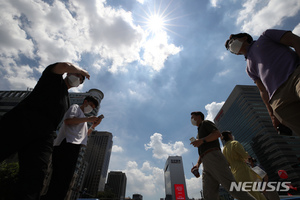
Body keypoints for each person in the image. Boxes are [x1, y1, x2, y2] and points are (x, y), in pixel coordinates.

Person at [0, 62, 90, 200]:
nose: (79, 78)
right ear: (69, 73)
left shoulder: (67, 100)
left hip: (45, 135)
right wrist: (81, 70)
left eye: (81, 79)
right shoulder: (53, 79)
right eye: (77, 75)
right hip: (23, 121)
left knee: (35, 176)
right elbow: (64, 65)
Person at [225, 29, 300, 135]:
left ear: (245, 37)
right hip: (277, 98)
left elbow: (294, 40)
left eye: (232, 40)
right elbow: (263, 90)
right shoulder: (249, 69)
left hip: (295, 76)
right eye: (229, 47)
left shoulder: (266, 36)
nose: (230, 44)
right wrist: (272, 114)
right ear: (236, 54)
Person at [41, 96, 103, 200]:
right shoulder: (75, 108)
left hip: (74, 147)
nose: (91, 108)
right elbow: (68, 121)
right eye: (91, 105)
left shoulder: (82, 120)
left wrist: (93, 127)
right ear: (85, 102)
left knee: (66, 179)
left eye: (93, 107)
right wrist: (88, 119)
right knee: (59, 177)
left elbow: (84, 135)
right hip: (65, 144)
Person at [190, 111, 255, 200]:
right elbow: (202, 151)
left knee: (232, 188)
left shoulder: (205, 123)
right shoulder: (198, 133)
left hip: (214, 157)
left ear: (199, 117)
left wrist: (201, 140)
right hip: (206, 162)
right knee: (209, 194)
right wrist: (197, 164)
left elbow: (217, 134)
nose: (192, 120)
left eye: (193, 117)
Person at [221, 131, 267, 200]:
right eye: (231, 134)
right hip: (243, 170)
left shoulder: (224, 149)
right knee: (254, 194)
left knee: (253, 194)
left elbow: (227, 163)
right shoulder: (234, 143)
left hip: (235, 174)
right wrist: (250, 158)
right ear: (229, 135)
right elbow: (245, 155)